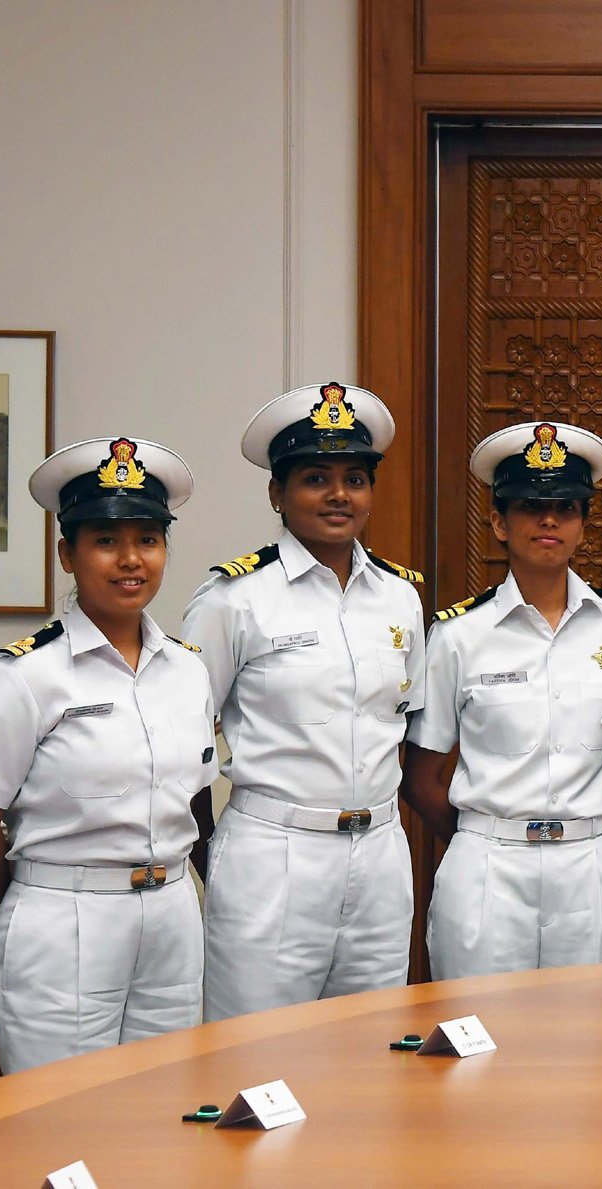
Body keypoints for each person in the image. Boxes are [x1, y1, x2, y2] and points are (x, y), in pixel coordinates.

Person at [0, 437, 214, 1072]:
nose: (130, 560)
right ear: (67, 554)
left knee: (159, 1115)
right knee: (59, 1120)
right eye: (105, 541)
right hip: (63, 917)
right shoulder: (25, 676)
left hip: (172, 915)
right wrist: (38, 901)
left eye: (148, 540)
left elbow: (196, 800)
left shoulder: (187, 670)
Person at [182, 382, 428, 1020]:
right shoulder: (234, 600)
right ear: (277, 494)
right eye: (316, 477)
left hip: (379, 853)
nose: (339, 494)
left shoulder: (400, 597)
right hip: (273, 853)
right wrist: (211, 854)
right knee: (256, 1055)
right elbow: (182, 743)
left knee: (370, 1055)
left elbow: (406, 726)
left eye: (355, 478)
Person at [406, 422, 602, 979]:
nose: (549, 520)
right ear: (499, 522)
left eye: (567, 507)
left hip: (589, 859)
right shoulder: (457, 634)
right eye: (530, 505)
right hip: (487, 863)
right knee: (478, 1036)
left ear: (582, 525)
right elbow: (422, 776)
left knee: (588, 1038)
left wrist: (576, 816)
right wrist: (486, 836)